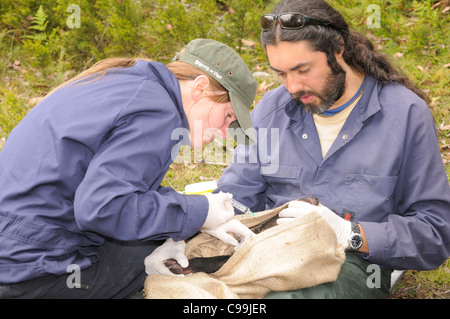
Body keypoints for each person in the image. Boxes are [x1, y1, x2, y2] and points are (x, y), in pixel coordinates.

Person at [214, 0, 450, 298]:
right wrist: (203, 223)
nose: (292, 87)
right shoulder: (273, 110)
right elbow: (237, 196)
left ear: (337, 49)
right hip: (266, 252)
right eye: (281, 74)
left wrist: (349, 233)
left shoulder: (404, 114)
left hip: (352, 261)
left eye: (302, 69)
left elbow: (435, 233)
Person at [0, 39, 256, 298]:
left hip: (15, 244)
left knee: (151, 244)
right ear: (201, 88)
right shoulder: (159, 112)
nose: (224, 134)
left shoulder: (125, 81)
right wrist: (198, 213)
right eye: (227, 117)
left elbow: (123, 183)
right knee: (164, 265)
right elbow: (101, 207)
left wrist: (181, 226)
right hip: (31, 271)